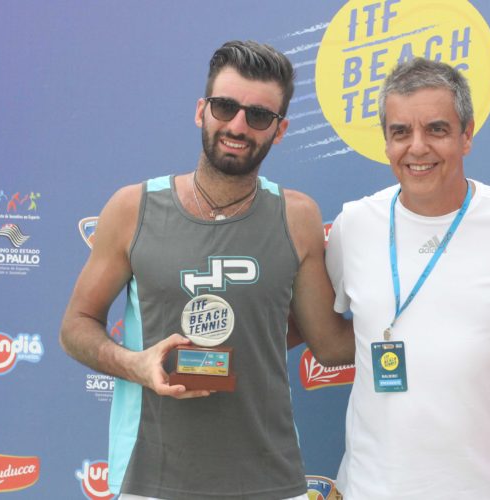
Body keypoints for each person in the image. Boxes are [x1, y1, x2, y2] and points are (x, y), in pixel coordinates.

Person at [59, 41, 352, 500]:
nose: (238, 126)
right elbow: (76, 325)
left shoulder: (297, 217)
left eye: (259, 116)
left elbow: (329, 345)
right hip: (151, 480)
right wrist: (136, 364)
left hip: (271, 480)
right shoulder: (133, 208)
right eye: (225, 107)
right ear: (202, 111)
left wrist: (420, 314)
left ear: (279, 130)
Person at [324, 58, 490, 499]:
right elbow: (327, 327)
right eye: (400, 132)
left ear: (466, 135)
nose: (417, 148)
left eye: (436, 129)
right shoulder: (352, 226)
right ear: (386, 141)